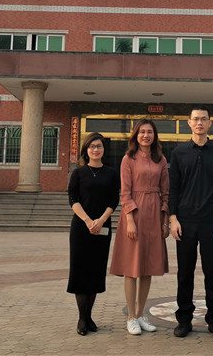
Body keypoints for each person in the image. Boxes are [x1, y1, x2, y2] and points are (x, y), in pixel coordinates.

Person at [168, 105, 213, 339]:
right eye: (195, 119)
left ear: (210, 123)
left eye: (204, 119)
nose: (199, 123)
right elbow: (173, 188)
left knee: (211, 271)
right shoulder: (179, 152)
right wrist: (173, 218)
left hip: (211, 221)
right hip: (185, 221)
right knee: (184, 273)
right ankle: (184, 319)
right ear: (189, 122)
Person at [110, 119, 170, 335]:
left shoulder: (161, 160)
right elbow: (125, 193)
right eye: (142, 132)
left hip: (154, 214)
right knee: (132, 267)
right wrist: (130, 220)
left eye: (150, 132)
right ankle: (131, 317)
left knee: (148, 267)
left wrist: (165, 220)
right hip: (134, 214)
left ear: (155, 136)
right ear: (136, 135)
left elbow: (166, 192)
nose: (146, 135)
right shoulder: (128, 159)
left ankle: (141, 313)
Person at [67, 132, 120, 336]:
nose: (95, 149)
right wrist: (89, 221)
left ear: (104, 149)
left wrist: (101, 220)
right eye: (92, 146)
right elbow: (73, 199)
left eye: (99, 146)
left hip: (103, 227)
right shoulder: (78, 173)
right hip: (81, 228)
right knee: (80, 271)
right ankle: (82, 318)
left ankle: (89, 316)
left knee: (95, 272)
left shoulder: (111, 173)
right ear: (86, 150)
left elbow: (113, 200)